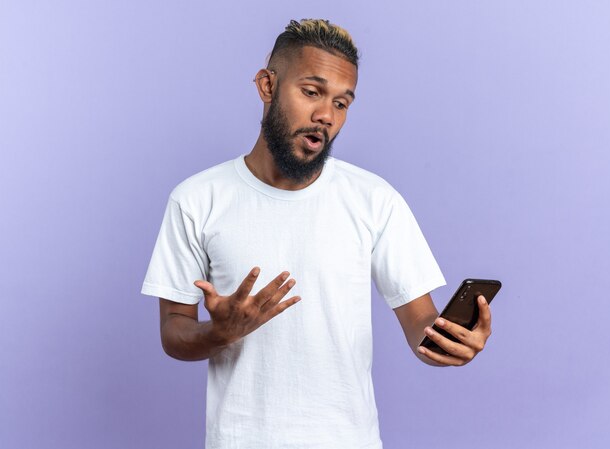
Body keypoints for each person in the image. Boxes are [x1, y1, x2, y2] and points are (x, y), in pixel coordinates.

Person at [141, 18, 492, 449]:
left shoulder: (373, 199)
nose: (326, 115)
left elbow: (420, 323)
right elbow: (174, 332)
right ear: (267, 85)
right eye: (312, 92)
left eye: (342, 103)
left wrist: (448, 344)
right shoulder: (196, 199)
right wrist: (222, 331)